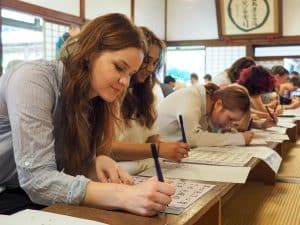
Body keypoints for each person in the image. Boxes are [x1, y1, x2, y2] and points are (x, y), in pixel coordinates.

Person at [0, 13, 175, 216]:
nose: (125, 82)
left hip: (22, 194)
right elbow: (37, 179)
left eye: (130, 74)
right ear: (90, 53)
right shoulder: (34, 79)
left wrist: (93, 164)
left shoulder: (94, 99)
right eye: (119, 68)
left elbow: (64, 168)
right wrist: (123, 195)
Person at [112, 27, 189, 174]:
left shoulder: (149, 92)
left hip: (141, 168)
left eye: (154, 63)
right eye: (146, 61)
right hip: (117, 171)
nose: (150, 68)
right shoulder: (112, 90)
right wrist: (158, 149)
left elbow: (151, 137)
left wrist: (170, 148)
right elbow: (106, 148)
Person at [157, 83, 253, 147]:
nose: (229, 125)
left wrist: (228, 133)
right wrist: (238, 138)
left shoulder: (207, 106)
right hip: (153, 158)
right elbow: (193, 139)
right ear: (218, 105)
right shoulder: (191, 98)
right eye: (230, 119)